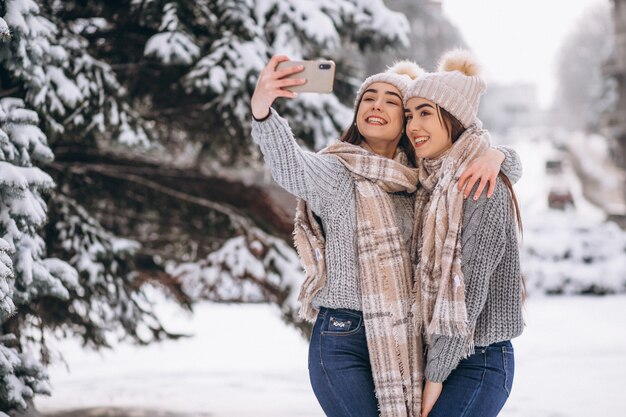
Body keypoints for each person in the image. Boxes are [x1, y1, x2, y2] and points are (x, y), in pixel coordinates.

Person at [250, 55, 522, 417]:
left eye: (394, 102)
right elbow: (290, 166)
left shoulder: (423, 181)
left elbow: (469, 164)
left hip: (410, 341)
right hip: (343, 337)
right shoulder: (336, 171)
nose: (377, 105)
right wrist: (263, 110)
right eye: (368, 98)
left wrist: (498, 155)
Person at [403, 49, 525, 417]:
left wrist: (436, 375)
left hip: (478, 361)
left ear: (454, 118)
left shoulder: (479, 183)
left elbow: (466, 288)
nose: (413, 126)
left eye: (426, 113)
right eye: (410, 115)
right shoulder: (429, 181)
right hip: (436, 354)